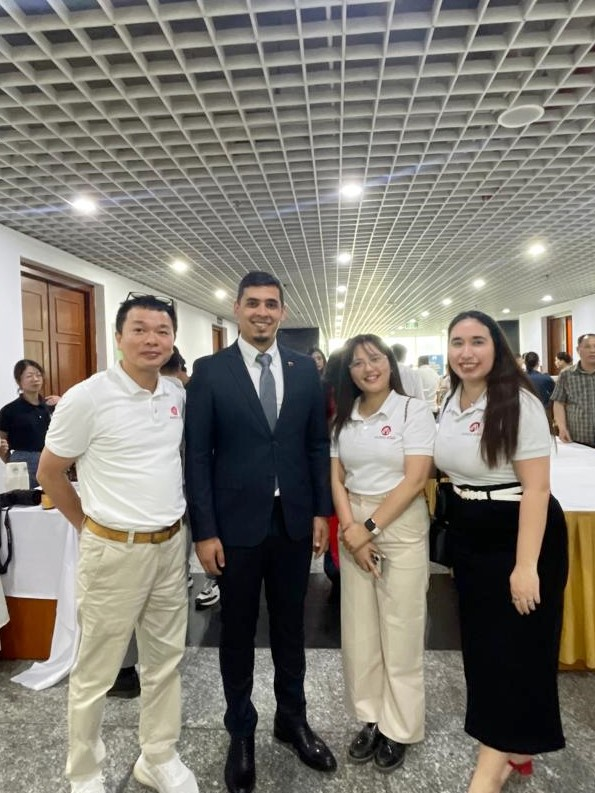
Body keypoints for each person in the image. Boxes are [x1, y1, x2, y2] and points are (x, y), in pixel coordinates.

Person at [37, 293, 198, 793]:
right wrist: (90, 527)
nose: (152, 340)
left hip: (171, 546)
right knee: (96, 672)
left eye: (162, 331)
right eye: (140, 330)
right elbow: (50, 473)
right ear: (119, 337)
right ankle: (83, 772)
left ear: (173, 339)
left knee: (165, 661)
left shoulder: (176, 395)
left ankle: (158, 755)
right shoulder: (88, 396)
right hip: (114, 551)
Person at [185, 271, 336, 793]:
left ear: (283, 312)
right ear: (236, 309)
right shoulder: (209, 372)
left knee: (293, 627)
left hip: (293, 521)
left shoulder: (303, 370)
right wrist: (204, 530)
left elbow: (317, 446)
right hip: (235, 526)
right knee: (238, 631)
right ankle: (241, 730)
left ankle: (291, 718)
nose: (263, 313)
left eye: (272, 304)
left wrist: (321, 510)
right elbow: (197, 457)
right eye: (253, 304)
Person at [434, 310, 568, 793]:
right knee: (486, 649)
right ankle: (517, 745)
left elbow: (536, 489)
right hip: (472, 531)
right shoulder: (450, 399)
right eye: (457, 342)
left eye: (477, 342)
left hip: (520, 530)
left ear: (497, 349)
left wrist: (525, 566)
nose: (466, 352)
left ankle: (490, 769)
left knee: (517, 648)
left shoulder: (519, 403)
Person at [330, 335, 435, 773]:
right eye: (357, 363)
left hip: (399, 522)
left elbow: (415, 479)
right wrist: (353, 531)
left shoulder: (413, 410)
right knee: (360, 631)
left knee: (402, 627)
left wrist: (368, 529)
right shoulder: (344, 418)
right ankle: (371, 717)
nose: (367, 368)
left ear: (389, 364)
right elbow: (336, 477)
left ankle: (400, 726)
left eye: (375, 359)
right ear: (349, 373)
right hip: (354, 520)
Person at [0, 359, 60, 487]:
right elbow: (2, 443)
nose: (35, 379)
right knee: (26, 503)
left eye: (38, 375)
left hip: (51, 460)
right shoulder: (9, 410)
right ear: (19, 381)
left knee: (53, 502)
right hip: (23, 463)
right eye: (29, 376)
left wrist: (63, 402)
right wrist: (12, 464)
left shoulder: (51, 406)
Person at [551, 333, 595, 446]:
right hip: (578, 440)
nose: (592, 350)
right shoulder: (567, 374)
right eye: (587, 346)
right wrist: (562, 427)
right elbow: (558, 402)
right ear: (578, 349)